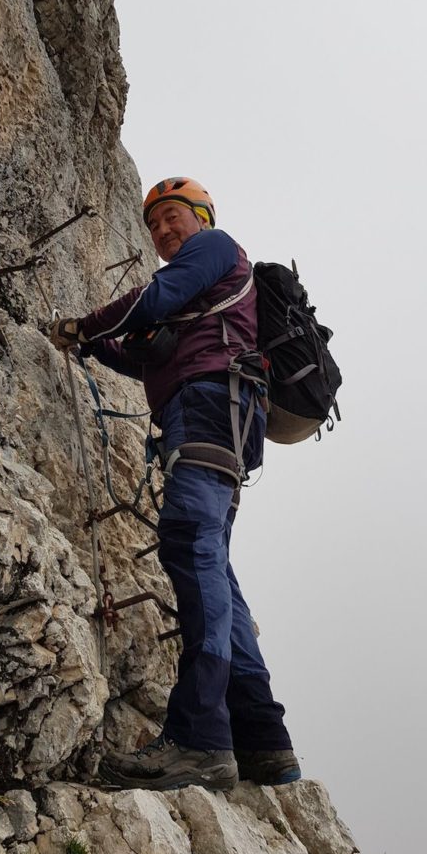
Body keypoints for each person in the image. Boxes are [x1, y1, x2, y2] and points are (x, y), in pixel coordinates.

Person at [50, 177, 300, 791]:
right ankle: (264, 741)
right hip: (213, 415)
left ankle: (200, 740)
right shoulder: (201, 305)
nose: (163, 231)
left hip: (211, 408)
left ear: (202, 217)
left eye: (172, 218)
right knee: (215, 565)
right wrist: (95, 346)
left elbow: (155, 297)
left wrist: (82, 326)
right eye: (154, 224)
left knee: (190, 542)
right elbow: (144, 357)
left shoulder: (215, 250)